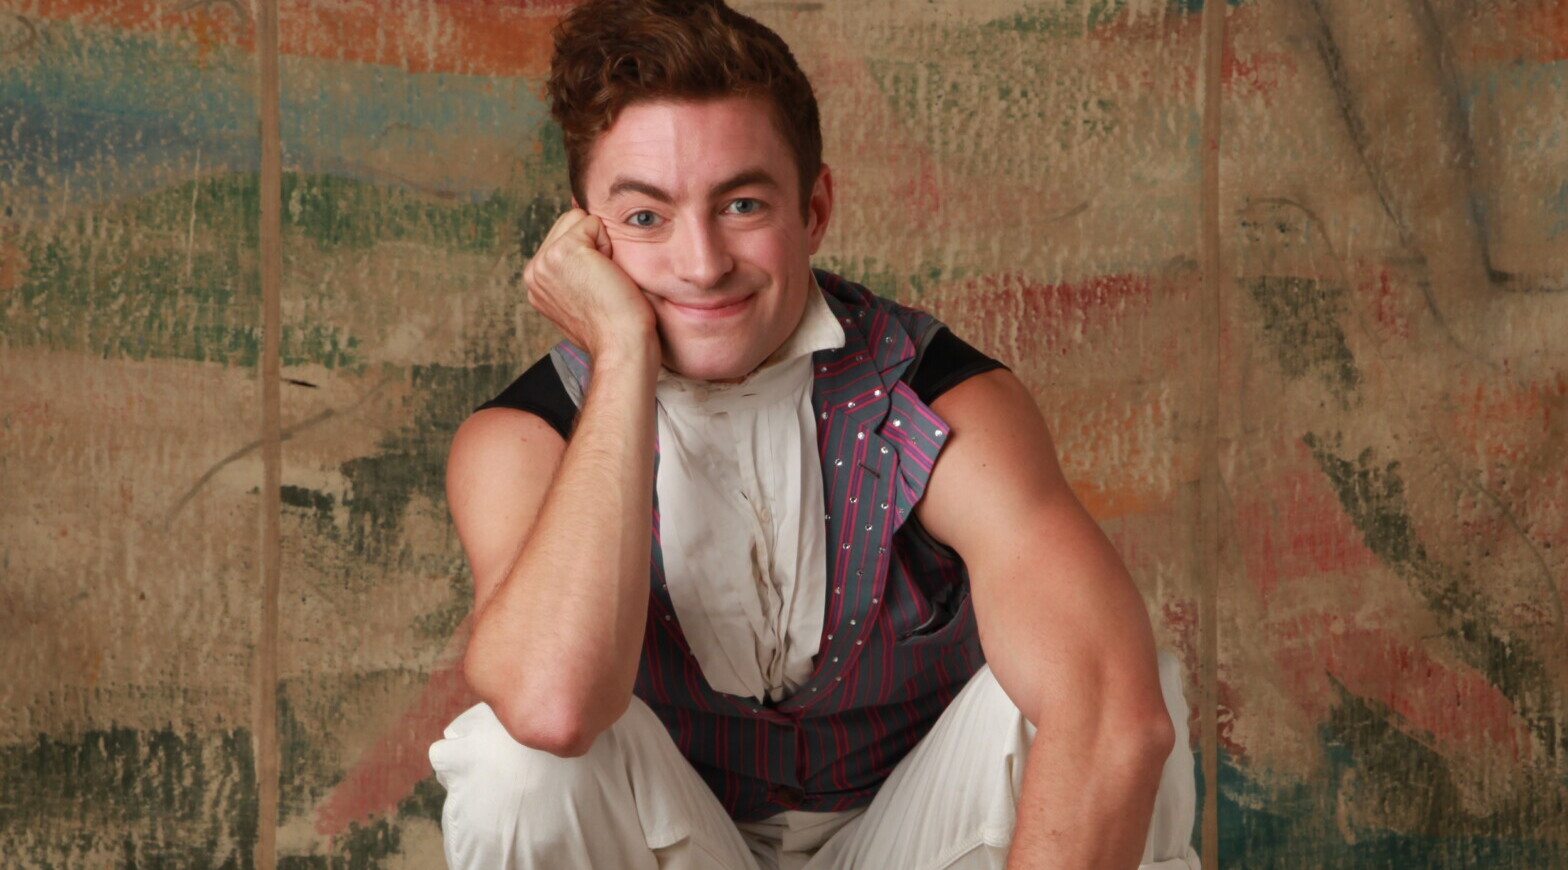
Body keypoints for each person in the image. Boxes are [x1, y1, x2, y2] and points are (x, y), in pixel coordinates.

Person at [428, 1, 1200, 867]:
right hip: (676, 845)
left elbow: (1117, 719)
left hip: (912, 843)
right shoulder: (524, 438)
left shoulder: (940, 399)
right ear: (585, 240)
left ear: (815, 208)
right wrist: (620, 358)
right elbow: (551, 706)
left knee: (1112, 674)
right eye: (645, 218)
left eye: (743, 204)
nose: (702, 263)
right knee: (513, 761)